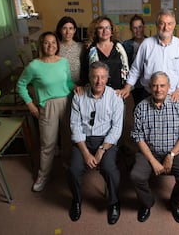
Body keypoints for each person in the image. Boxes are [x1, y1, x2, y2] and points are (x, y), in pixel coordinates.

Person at [130, 71, 179, 224]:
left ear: (169, 87)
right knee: (136, 176)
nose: (159, 89)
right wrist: (152, 161)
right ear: (150, 87)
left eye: (162, 86)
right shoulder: (141, 107)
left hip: (174, 151)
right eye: (155, 86)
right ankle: (147, 203)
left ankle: (175, 203)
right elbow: (138, 137)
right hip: (149, 152)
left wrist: (171, 155)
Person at [67, 61, 124, 224]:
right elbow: (75, 126)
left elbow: (116, 129)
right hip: (83, 140)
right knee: (74, 170)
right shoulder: (79, 96)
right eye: (95, 77)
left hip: (105, 140)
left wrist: (101, 150)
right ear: (89, 78)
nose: (99, 81)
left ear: (107, 78)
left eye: (102, 77)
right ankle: (77, 200)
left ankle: (114, 202)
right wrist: (85, 153)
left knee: (109, 169)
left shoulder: (115, 97)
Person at [17, 31, 74, 192]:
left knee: (69, 138)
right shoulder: (34, 66)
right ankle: (43, 175)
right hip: (47, 106)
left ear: (57, 45)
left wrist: (78, 88)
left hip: (66, 102)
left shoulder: (63, 62)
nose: (51, 46)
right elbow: (20, 85)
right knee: (47, 143)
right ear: (41, 45)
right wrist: (31, 105)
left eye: (53, 42)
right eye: (47, 43)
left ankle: (67, 162)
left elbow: (68, 82)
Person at [118, 9, 179, 103]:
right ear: (157, 24)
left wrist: (178, 91)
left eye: (169, 24)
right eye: (162, 23)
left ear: (174, 25)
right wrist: (127, 87)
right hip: (149, 94)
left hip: (173, 95)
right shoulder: (146, 44)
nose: (166, 27)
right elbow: (136, 69)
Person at [80, 16, 129, 91]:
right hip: (97, 93)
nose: (105, 31)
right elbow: (84, 74)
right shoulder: (90, 50)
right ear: (96, 31)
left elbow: (126, 71)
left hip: (118, 93)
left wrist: (125, 88)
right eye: (101, 28)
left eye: (107, 28)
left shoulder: (119, 48)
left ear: (112, 30)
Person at [122, 14, 147, 106]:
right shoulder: (126, 45)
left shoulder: (151, 42)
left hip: (148, 81)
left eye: (140, 27)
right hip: (134, 82)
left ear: (144, 27)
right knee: (138, 104)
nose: (138, 30)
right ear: (131, 29)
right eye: (135, 28)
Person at [55, 16, 83, 85]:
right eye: (64, 28)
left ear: (74, 30)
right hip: (60, 85)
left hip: (79, 87)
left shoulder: (81, 46)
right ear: (60, 30)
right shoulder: (54, 47)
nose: (68, 32)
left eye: (70, 28)